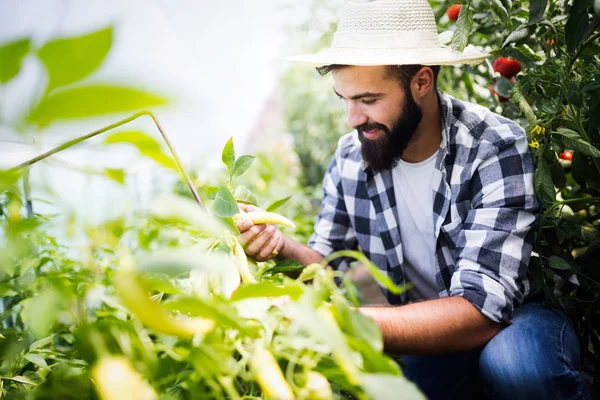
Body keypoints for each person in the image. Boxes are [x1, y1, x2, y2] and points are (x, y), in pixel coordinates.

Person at [236, 0, 591, 398]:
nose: (352, 119)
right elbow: (328, 268)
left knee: (518, 364)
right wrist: (279, 246)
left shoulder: (492, 146)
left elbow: (481, 308)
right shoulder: (351, 158)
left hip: (514, 315)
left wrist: (347, 321)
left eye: (368, 100)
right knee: (393, 388)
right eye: (344, 99)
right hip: (427, 323)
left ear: (421, 82)